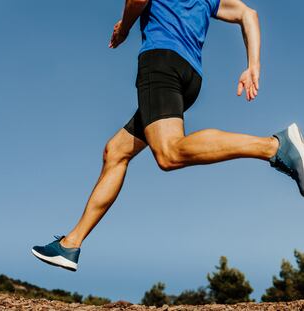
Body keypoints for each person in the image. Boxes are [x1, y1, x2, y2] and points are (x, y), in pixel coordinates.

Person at [31, 0, 304, 272]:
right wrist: (253, 64)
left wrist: (125, 27)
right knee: (115, 151)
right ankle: (70, 244)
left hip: (160, 62)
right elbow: (248, 13)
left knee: (169, 153)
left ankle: (275, 146)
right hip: (189, 76)